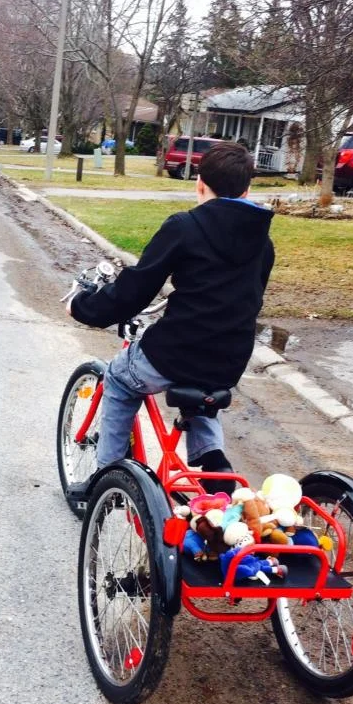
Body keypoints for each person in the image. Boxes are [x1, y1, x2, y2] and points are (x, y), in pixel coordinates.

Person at [67, 141, 275, 492]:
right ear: (246, 190)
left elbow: (134, 290)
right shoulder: (263, 243)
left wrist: (82, 307)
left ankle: (106, 480)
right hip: (228, 361)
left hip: (176, 353)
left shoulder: (185, 227)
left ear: (199, 184)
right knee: (202, 389)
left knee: (119, 378)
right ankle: (215, 467)